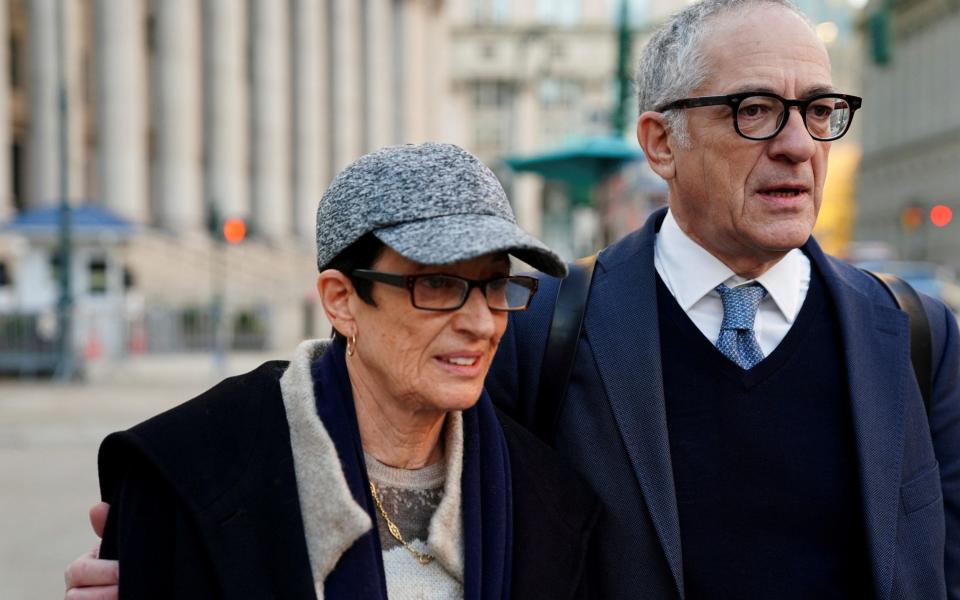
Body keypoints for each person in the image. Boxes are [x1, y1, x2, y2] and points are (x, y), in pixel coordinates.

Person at [67, 0, 960, 597]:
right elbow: (400, 469)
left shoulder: (918, 336)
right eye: (755, 110)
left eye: (820, 111)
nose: (799, 144)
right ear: (660, 141)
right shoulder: (542, 329)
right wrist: (189, 552)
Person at [65, 143, 600, 599]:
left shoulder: (547, 497)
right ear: (341, 301)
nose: (483, 323)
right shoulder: (190, 473)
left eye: (495, 285)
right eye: (437, 285)